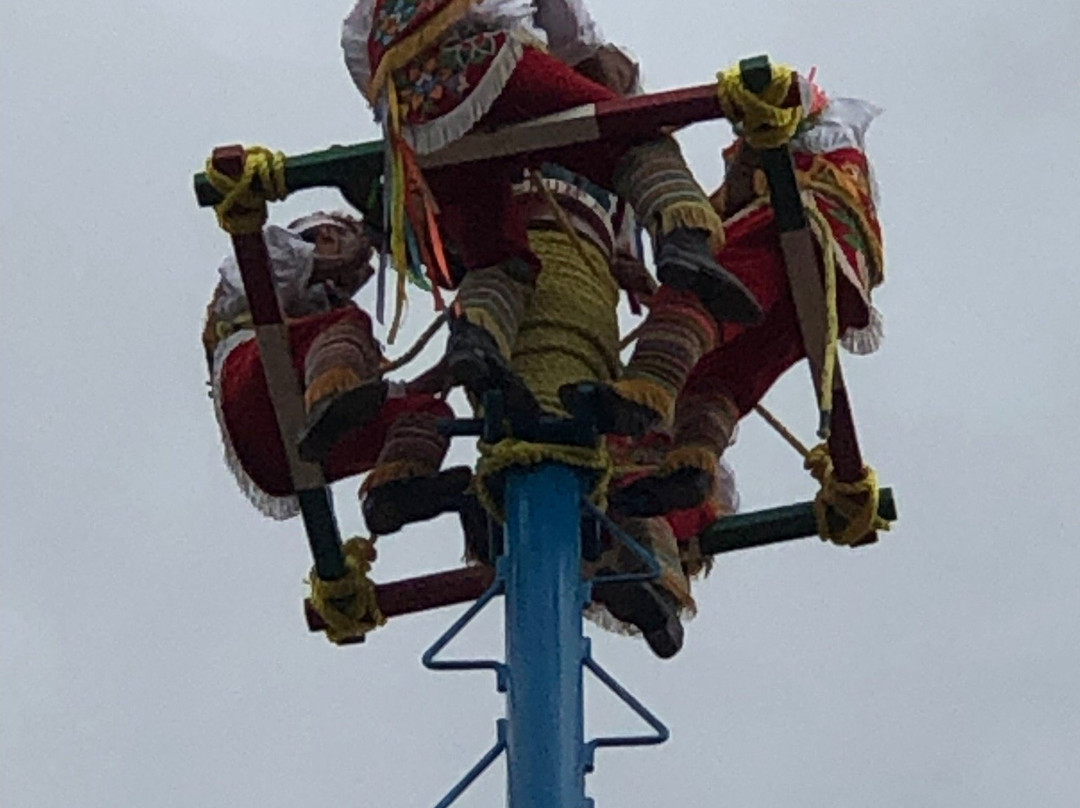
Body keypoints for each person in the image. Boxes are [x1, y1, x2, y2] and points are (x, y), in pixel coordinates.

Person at [341, 0, 761, 430]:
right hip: (496, 71)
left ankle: (478, 339)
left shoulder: (364, 14)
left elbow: (364, 69)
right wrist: (595, 85)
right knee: (638, 140)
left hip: (420, 124)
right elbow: (575, 38)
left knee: (497, 260)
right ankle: (683, 239)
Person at [615, 83, 887, 514]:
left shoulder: (800, 137)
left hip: (790, 241)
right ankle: (694, 460)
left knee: (696, 293)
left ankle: (643, 392)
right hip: (825, 294)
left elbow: (717, 223)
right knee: (721, 376)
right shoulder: (840, 155)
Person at [203, 212, 468, 531]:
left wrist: (444, 371)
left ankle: (394, 492)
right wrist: (359, 245)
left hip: (289, 463)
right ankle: (328, 402)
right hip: (252, 394)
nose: (352, 284)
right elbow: (271, 276)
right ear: (327, 236)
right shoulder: (277, 249)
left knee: (430, 411)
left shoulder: (336, 334)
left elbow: (384, 398)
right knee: (347, 328)